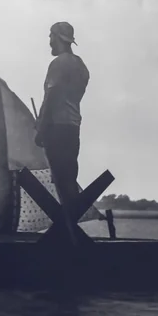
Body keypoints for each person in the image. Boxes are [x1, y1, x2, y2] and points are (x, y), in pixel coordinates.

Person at [34, 21, 90, 238]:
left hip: (56, 127)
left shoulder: (58, 64)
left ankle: (67, 234)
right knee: (69, 178)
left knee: (60, 179)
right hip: (73, 127)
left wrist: (41, 126)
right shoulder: (81, 66)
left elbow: (52, 96)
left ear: (58, 38)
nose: (49, 41)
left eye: (51, 36)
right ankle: (69, 230)